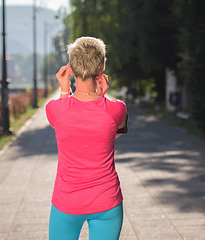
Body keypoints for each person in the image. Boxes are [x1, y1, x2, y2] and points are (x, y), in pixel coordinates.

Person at [45, 36, 128, 240]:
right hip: (107, 201)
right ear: (101, 70)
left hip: (67, 203)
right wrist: (102, 98)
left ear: (71, 69)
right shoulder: (118, 109)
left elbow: (66, 122)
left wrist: (65, 91)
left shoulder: (54, 109)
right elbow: (113, 134)